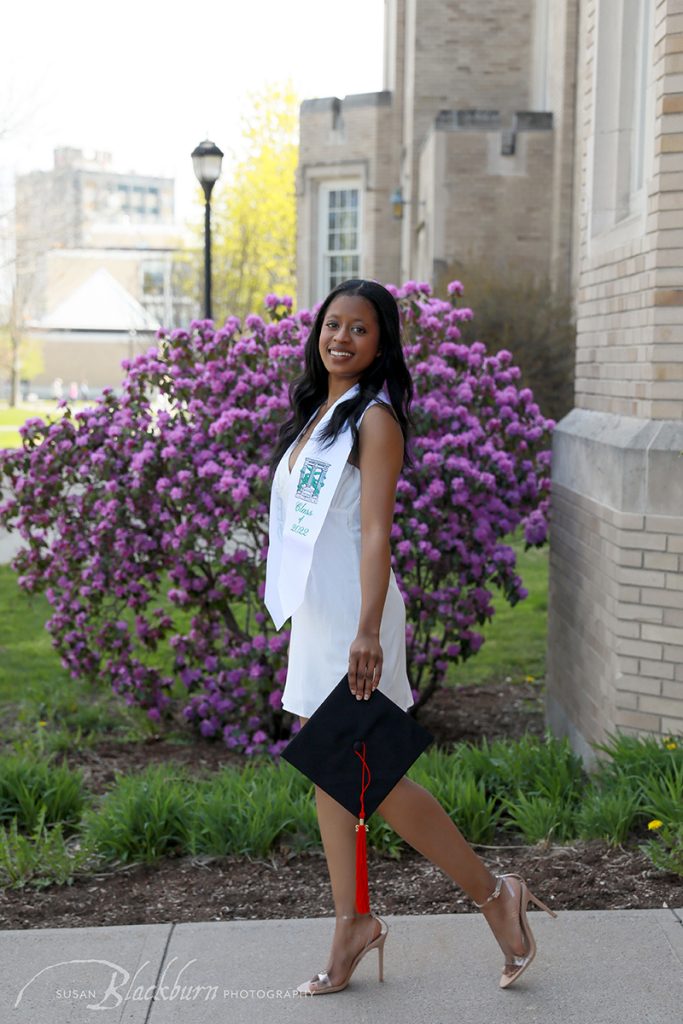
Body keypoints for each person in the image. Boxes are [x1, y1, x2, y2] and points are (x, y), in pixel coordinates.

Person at [266, 279, 556, 996]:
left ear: (381, 342)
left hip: (356, 620)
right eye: (332, 324)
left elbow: (374, 529)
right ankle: (353, 921)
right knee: (334, 780)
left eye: (359, 329)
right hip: (321, 615)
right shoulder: (322, 413)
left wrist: (367, 629)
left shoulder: (374, 420)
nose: (341, 337)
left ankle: (495, 898)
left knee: (377, 781)